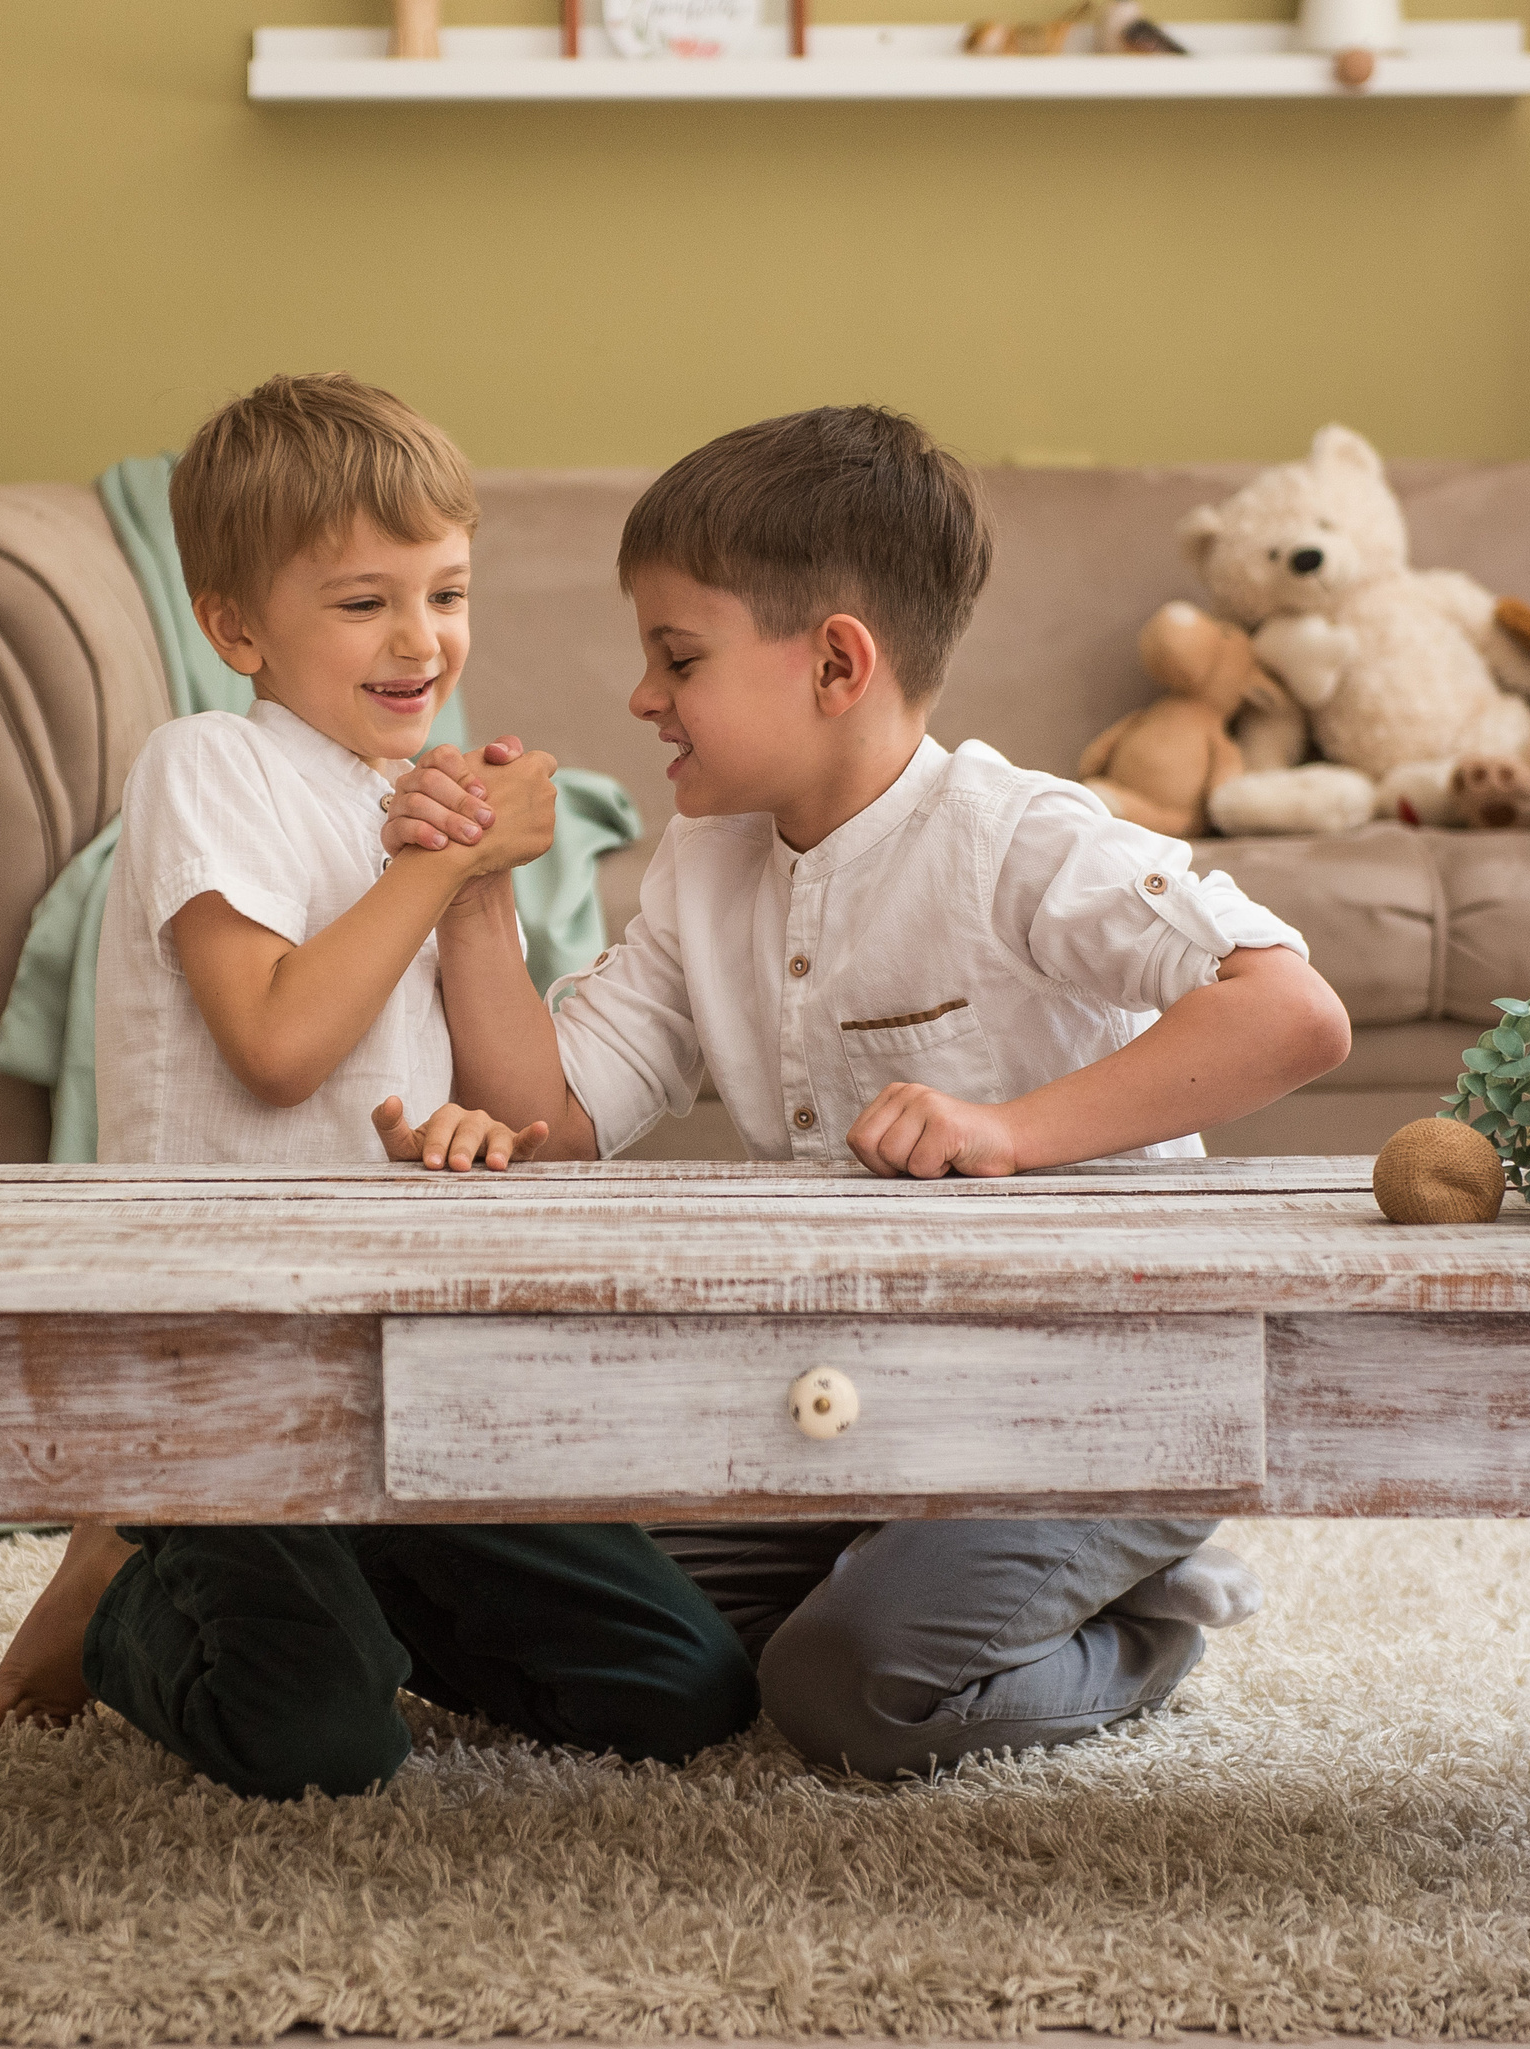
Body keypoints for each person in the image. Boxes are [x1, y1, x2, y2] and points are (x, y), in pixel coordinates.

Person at [376, 404, 1351, 1780]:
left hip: (1100, 1395)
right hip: (861, 1398)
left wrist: (1006, 1131)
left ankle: (1141, 1626)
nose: (644, 696)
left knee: (845, 1692)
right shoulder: (705, 864)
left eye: (678, 657)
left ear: (838, 662)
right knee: (601, 1615)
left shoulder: (1017, 840)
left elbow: (1294, 1012)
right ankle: (933, 1573)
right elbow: (560, 1120)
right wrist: (473, 898)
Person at [0, 371, 757, 1798]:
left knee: (685, 1686)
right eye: (364, 603)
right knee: (322, 1743)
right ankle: (121, 1583)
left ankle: (348, 1582)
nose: (421, 640)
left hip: (410, 1380)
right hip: (228, 1381)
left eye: (447, 594)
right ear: (238, 629)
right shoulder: (209, 764)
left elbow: (513, 1109)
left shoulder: (421, 808)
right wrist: (439, 864)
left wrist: (477, 927)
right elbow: (279, 1045)